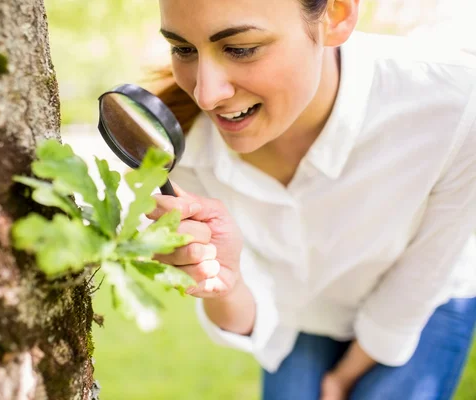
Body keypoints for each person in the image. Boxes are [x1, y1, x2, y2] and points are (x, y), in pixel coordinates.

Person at [145, 0, 476, 399]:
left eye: (241, 48)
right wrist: (224, 280)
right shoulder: (185, 150)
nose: (206, 94)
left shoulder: (454, 105)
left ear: (335, 15)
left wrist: (343, 379)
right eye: (183, 49)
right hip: (301, 312)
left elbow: (416, 284)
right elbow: (254, 309)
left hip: (425, 301)